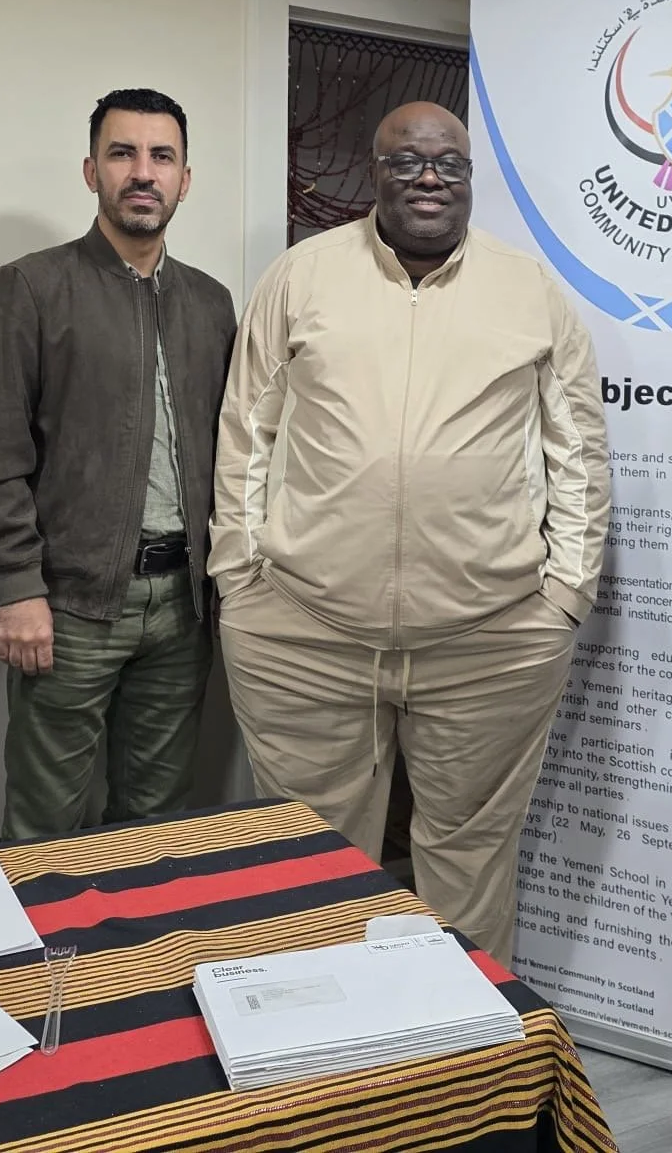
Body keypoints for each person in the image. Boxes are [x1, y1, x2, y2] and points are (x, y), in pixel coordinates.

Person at [209, 101, 610, 964]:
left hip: (491, 641)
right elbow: (249, 430)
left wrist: (565, 593)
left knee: (468, 859)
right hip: (305, 634)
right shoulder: (301, 277)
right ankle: (321, 1066)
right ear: (373, 173)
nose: (429, 177)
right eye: (406, 162)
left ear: (469, 178)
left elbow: (577, 451)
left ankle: (459, 1071)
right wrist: (239, 576)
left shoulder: (531, 290)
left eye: (448, 163)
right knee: (309, 865)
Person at [0, 88, 235, 840]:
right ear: (91, 171)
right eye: (123, 154)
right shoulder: (32, 289)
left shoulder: (212, 305)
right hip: (69, 609)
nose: (142, 173)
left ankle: (133, 961)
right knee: (46, 828)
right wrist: (16, 588)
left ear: (184, 178)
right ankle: (46, 958)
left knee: (155, 825)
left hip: (184, 608)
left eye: (161, 156)